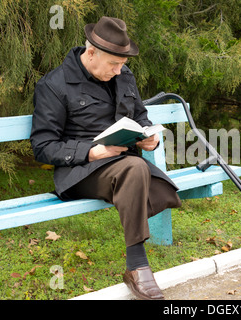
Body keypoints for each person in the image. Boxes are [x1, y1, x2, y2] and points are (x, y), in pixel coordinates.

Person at [30, 16, 182, 300]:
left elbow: (139, 116)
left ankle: (136, 264)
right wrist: (90, 151)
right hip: (81, 172)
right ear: (91, 53)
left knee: (136, 167)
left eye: (122, 64)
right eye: (113, 64)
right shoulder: (54, 84)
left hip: (123, 166)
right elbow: (43, 145)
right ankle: (137, 267)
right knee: (136, 169)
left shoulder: (123, 76)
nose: (118, 70)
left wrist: (150, 138)